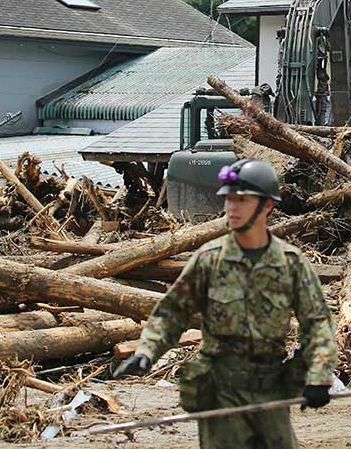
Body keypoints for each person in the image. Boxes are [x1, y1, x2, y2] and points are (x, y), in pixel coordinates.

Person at [114, 158, 337, 448]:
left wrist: (319, 376)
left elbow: (318, 322)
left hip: (270, 384)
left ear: (267, 206)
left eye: (242, 200)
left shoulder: (290, 264)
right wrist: (146, 352)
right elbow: (172, 312)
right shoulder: (210, 259)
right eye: (229, 199)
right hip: (221, 387)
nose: (232, 207)